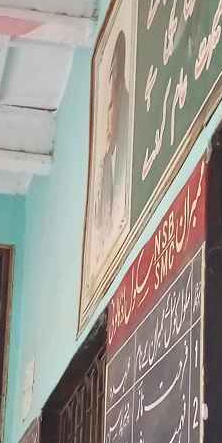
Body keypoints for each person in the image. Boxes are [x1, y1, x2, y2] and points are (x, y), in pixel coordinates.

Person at [91, 29, 132, 267]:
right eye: (107, 106)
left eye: (113, 103)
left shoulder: (128, 162)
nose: (109, 113)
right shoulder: (105, 163)